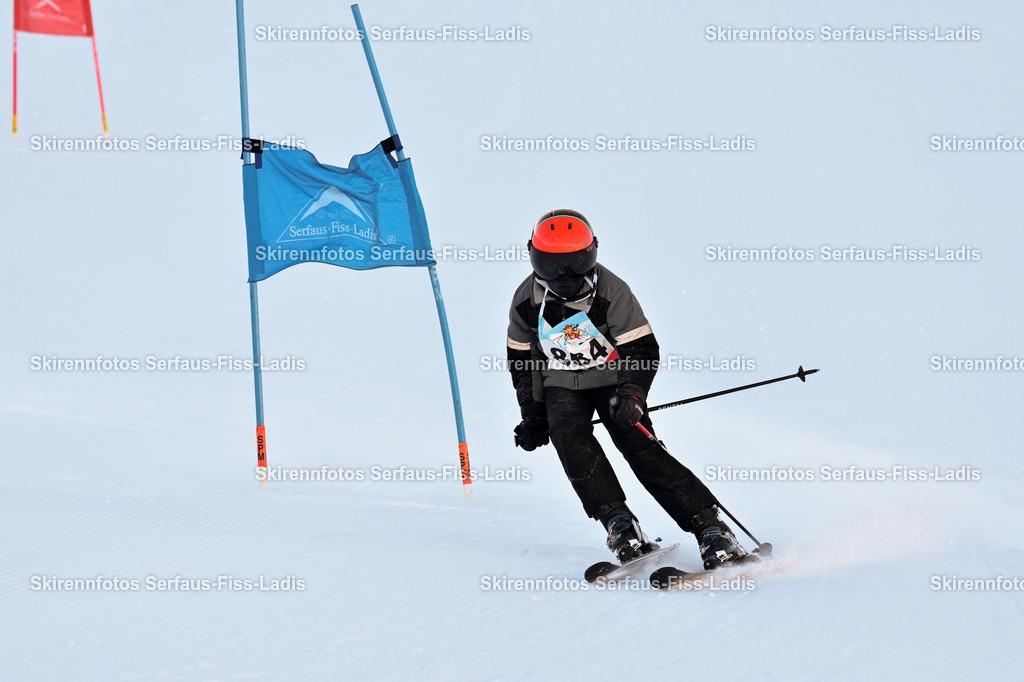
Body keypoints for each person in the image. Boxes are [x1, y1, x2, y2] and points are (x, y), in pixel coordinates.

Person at [507, 209, 749, 568]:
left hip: (612, 380)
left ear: (592, 254)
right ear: (533, 257)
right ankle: (619, 524)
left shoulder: (612, 291)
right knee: (567, 435)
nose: (564, 276)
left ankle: (711, 528)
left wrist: (633, 394)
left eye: (575, 263)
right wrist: (533, 414)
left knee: (636, 441)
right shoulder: (525, 301)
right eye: (552, 265)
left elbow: (641, 349)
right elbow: (523, 362)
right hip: (562, 383)